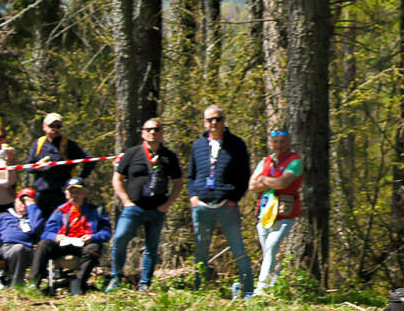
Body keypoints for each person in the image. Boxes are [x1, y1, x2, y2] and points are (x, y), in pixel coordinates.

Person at [187, 104, 254, 298]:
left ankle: (248, 290)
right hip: (202, 206)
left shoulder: (237, 144)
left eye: (218, 119)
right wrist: (193, 197)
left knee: (237, 247)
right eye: (210, 120)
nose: (214, 123)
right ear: (204, 122)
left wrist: (234, 198)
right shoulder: (198, 145)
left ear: (224, 121)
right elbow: (191, 175)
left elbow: (244, 176)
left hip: (226, 206)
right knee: (201, 250)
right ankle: (200, 290)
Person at [109, 118, 180, 291]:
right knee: (120, 239)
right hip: (133, 208)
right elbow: (117, 179)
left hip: (157, 209)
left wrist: (168, 204)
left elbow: (178, 182)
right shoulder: (132, 153)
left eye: (156, 129)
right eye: (148, 129)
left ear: (162, 133)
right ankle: (116, 277)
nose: (152, 132)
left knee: (151, 247)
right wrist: (126, 201)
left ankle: (145, 284)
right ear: (143, 133)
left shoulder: (169, 156)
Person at [250, 127, 305, 294]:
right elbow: (252, 186)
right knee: (269, 252)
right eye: (275, 142)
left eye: (282, 142)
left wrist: (264, 179)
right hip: (264, 212)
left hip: (284, 212)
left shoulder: (295, 162)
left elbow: (283, 183)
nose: (278, 145)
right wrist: (272, 182)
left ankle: (261, 290)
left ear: (289, 143)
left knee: (272, 247)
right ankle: (275, 288)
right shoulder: (265, 161)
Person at [41, 178, 113, 295]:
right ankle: (34, 282)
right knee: (44, 244)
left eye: (78, 192)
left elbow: (106, 233)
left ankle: (78, 283)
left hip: (84, 245)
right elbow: (46, 232)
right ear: (67, 194)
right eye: (72, 192)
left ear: (84, 193)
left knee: (94, 248)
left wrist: (92, 237)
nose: (75, 195)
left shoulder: (96, 211)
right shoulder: (60, 211)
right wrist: (56, 237)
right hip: (63, 244)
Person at [0, 185, 48, 290]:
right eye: (21, 200)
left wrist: (31, 207)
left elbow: (37, 228)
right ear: (15, 201)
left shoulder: (35, 217)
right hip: (2, 248)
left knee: (18, 248)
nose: (23, 204)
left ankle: (15, 287)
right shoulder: (3, 216)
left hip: (24, 250)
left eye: (26, 201)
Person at [27, 112, 88, 219]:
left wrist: (80, 178)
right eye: (52, 126)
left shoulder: (68, 144)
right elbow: (28, 167)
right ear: (44, 127)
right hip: (41, 194)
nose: (55, 129)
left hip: (61, 194)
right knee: (39, 224)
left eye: (58, 126)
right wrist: (36, 167)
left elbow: (89, 160)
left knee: (61, 223)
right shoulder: (38, 143)